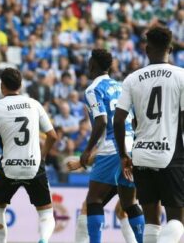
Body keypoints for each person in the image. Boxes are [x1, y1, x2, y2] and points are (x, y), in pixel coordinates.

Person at [114, 25, 184, 243]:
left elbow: (118, 120)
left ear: (146, 49)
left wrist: (124, 155)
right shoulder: (181, 76)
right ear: (170, 49)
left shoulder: (132, 79)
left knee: (151, 220)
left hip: (141, 155)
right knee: (176, 220)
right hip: (171, 155)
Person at [0, 68, 58, 243]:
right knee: (45, 212)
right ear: (21, 85)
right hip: (34, 166)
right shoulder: (35, 104)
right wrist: (42, 156)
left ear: (2, 86)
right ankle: (43, 239)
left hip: (9, 168)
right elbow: (53, 136)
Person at [76, 49, 144, 243]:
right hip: (131, 148)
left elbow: (102, 121)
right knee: (129, 203)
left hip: (112, 149)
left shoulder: (92, 89)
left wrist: (87, 150)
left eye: (89, 63)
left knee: (94, 201)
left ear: (92, 65)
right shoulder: (122, 86)